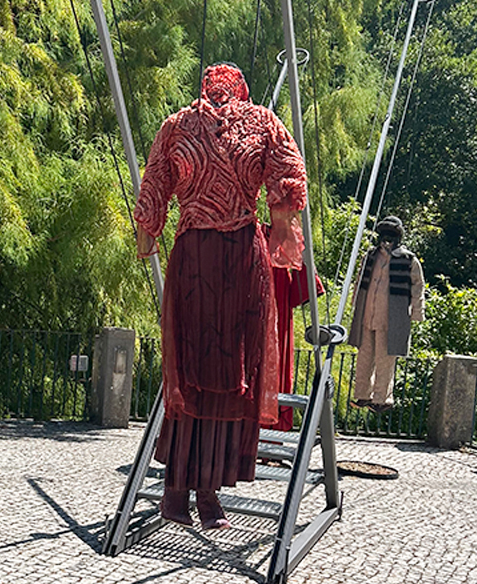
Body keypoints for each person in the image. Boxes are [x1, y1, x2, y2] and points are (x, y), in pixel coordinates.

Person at [134, 62, 307, 530]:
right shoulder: (177, 125)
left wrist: (283, 230)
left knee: (234, 374)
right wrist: (148, 228)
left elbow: (288, 175)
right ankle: (177, 490)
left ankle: (207, 490)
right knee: (191, 372)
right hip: (196, 255)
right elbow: (154, 184)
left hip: (238, 259)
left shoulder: (262, 123)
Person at [347, 215, 425, 412]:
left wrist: (417, 312)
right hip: (367, 315)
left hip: (391, 318)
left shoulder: (408, 259)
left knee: (385, 359)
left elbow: (418, 288)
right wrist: (354, 303)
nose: (387, 238)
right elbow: (359, 281)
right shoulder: (370, 256)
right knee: (364, 357)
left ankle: (382, 398)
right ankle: (362, 395)